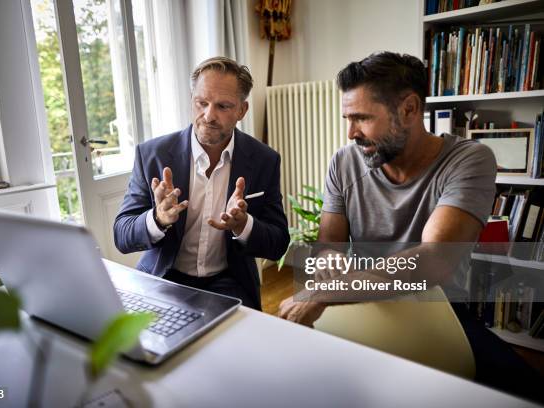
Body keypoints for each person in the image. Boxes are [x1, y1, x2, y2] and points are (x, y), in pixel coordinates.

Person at [278, 51, 543, 402]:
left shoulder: (470, 159)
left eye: (361, 118)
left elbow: (434, 261)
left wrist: (326, 291)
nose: (351, 133)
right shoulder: (343, 163)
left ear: (409, 109)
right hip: (362, 301)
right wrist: (329, 264)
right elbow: (329, 245)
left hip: (439, 312)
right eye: (348, 118)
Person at [114, 56, 290, 310]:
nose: (209, 115)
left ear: (242, 110)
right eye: (202, 103)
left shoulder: (265, 160)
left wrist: (244, 225)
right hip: (165, 278)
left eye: (223, 106)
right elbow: (122, 234)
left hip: (230, 281)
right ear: (192, 100)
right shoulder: (152, 155)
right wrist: (158, 219)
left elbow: (278, 243)